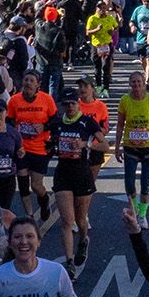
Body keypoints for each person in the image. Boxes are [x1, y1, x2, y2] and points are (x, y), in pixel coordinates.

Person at [47, 88, 107, 276]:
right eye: (66, 104)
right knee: (67, 220)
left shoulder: (87, 122)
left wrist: (86, 144)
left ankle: (83, 241)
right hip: (63, 173)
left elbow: (105, 145)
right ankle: (70, 262)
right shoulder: (57, 123)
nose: (70, 107)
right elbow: (50, 144)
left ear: (78, 103)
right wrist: (52, 148)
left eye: (73, 103)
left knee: (81, 220)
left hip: (82, 173)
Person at [8, 70, 60, 223]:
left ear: (38, 85)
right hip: (22, 149)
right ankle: (29, 215)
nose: (28, 83)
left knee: (36, 185)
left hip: (40, 148)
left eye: (32, 81)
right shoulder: (14, 100)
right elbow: (9, 123)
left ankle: (44, 201)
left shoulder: (46, 99)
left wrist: (44, 126)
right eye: (26, 80)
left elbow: (56, 122)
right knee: (23, 185)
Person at [117, 70, 149, 228]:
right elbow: (120, 125)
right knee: (129, 183)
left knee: (145, 182)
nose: (136, 85)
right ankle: (135, 208)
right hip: (130, 147)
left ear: (144, 84)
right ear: (130, 84)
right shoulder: (124, 100)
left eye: (139, 82)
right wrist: (117, 147)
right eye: (134, 82)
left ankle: (142, 215)